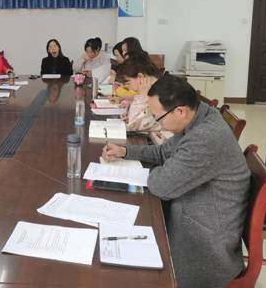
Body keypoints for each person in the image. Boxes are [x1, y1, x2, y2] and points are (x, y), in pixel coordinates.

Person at [102, 74, 250, 288]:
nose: (157, 123)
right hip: (194, 209)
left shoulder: (205, 137)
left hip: (205, 242)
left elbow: (161, 185)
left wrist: (163, 170)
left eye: (158, 117)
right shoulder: (199, 116)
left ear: (180, 111)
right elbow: (164, 152)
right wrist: (126, 151)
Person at [115, 53, 172, 144]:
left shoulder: (161, 93)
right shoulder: (157, 87)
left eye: (128, 83)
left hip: (165, 147)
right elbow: (139, 122)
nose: (128, 88)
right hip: (156, 142)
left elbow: (133, 126)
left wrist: (141, 97)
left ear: (140, 77)